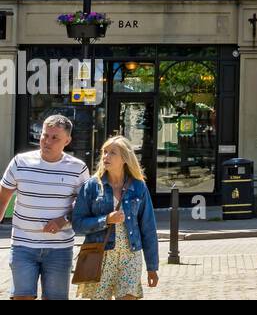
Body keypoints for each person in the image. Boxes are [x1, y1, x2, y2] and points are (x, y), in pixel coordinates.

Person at [0, 114, 90, 300]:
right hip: (23, 245)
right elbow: (2, 198)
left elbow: (84, 204)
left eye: (55, 137)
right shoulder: (20, 162)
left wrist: (63, 220)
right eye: (44, 135)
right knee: (22, 297)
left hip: (59, 248)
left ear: (67, 140)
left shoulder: (78, 168)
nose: (47, 141)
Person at [71, 136, 160, 300]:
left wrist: (152, 267)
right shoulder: (92, 186)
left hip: (130, 255)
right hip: (100, 255)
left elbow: (148, 228)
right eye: (104, 152)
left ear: (125, 159)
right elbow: (77, 224)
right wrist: (105, 220)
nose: (106, 156)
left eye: (112, 153)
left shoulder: (138, 186)